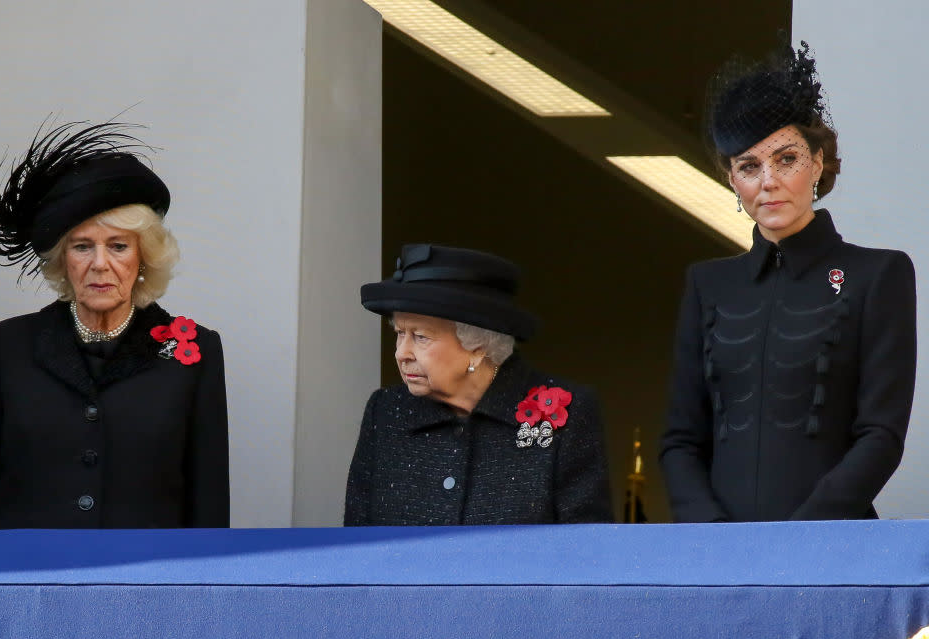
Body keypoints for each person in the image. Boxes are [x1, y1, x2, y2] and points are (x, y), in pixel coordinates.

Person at [660, 42, 916, 522]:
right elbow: (680, 439)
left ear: (817, 163)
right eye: (749, 167)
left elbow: (881, 434)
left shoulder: (879, 274)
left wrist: (802, 538)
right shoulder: (707, 284)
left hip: (832, 549)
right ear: (732, 180)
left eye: (786, 159)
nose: (768, 181)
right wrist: (712, 537)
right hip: (720, 557)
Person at [0, 120, 230, 529]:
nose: (100, 263)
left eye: (117, 246)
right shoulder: (10, 345)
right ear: (64, 260)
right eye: (82, 246)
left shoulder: (195, 351)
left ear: (142, 257)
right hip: (25, 581)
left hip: (143, 583)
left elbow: (209, 503)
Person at [345, 244, 612, 525]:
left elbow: (585, 553)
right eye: (400, 333)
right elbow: (356, 544)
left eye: (421, 337)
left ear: (477, 346)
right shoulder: (386, 412)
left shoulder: (568, 414)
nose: (402, 353)